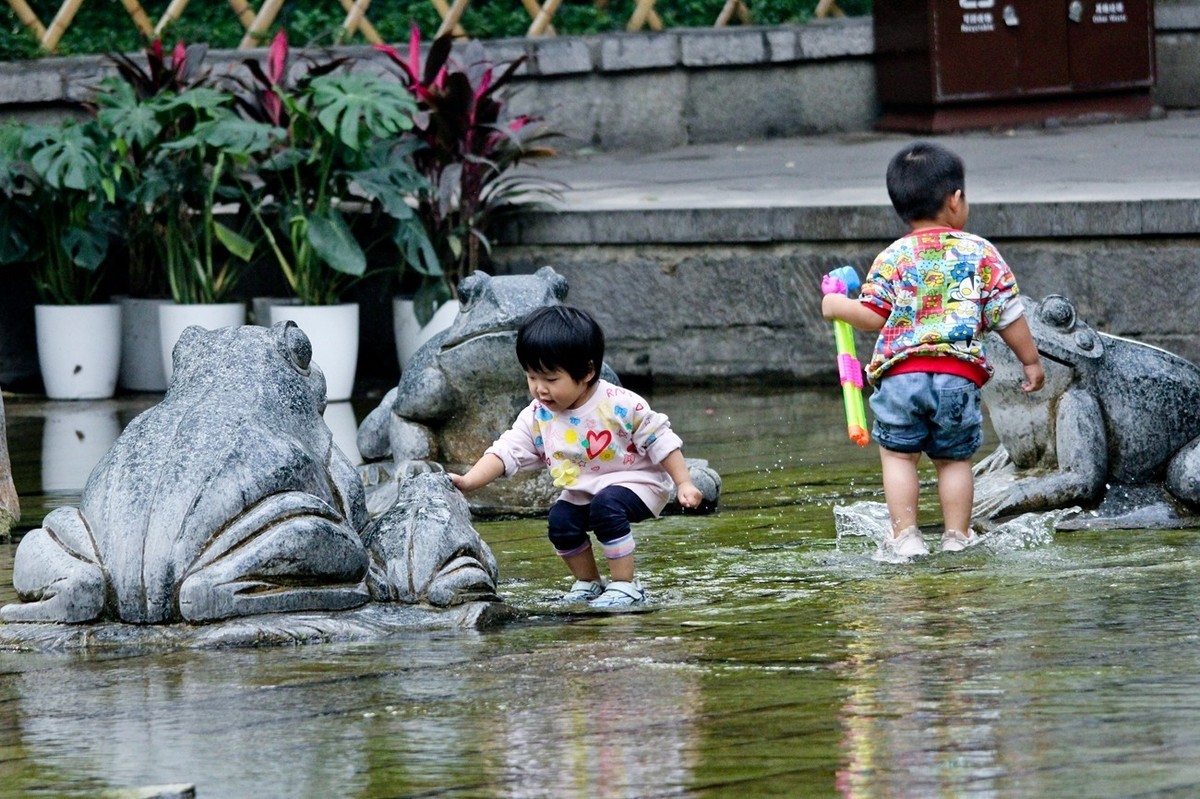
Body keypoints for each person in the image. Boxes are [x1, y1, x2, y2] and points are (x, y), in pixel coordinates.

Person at [822, 141, 1045, 559]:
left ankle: (906, 536)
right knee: (954, 460)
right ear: (955, 200)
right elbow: (1008, 313)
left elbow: (871, 315)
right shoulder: (981, 253)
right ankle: (957, 536)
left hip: (901, 376)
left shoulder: (893, 256)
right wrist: (1029, 361)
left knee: (899, 457)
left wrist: (836, 305)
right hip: (958, 379)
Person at [451, 305, 704, 606]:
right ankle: (589, 583)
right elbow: (506, 451)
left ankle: (625, 585)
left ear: (587, 372)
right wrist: (469, 482)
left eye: (550, 379)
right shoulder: (537, 416)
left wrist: (684, 482)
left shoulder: (620, 405)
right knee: (561, 520)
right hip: (585, 491)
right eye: (531, 377)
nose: (539, 389)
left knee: (606, 506)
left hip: (639, 483)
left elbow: (660, 437)